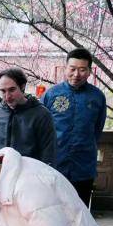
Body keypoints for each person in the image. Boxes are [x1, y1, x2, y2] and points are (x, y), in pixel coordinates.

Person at [41, 48, 107, 206]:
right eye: (72, 69)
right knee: (52, 212)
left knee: (80, 214)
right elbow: (41, 129)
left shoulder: (97, 97)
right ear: (66, 68)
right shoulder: (51, 95)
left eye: (82, 70)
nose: (77, 74)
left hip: (83, 166)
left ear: (90, 71)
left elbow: (97, 129)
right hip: (54, 166)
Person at [0, 68, 57, 166]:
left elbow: (48, 154)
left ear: (22, 86)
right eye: (3, 91)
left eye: (12, 90)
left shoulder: (41, 114)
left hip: (27, 176)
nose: (7, 96)